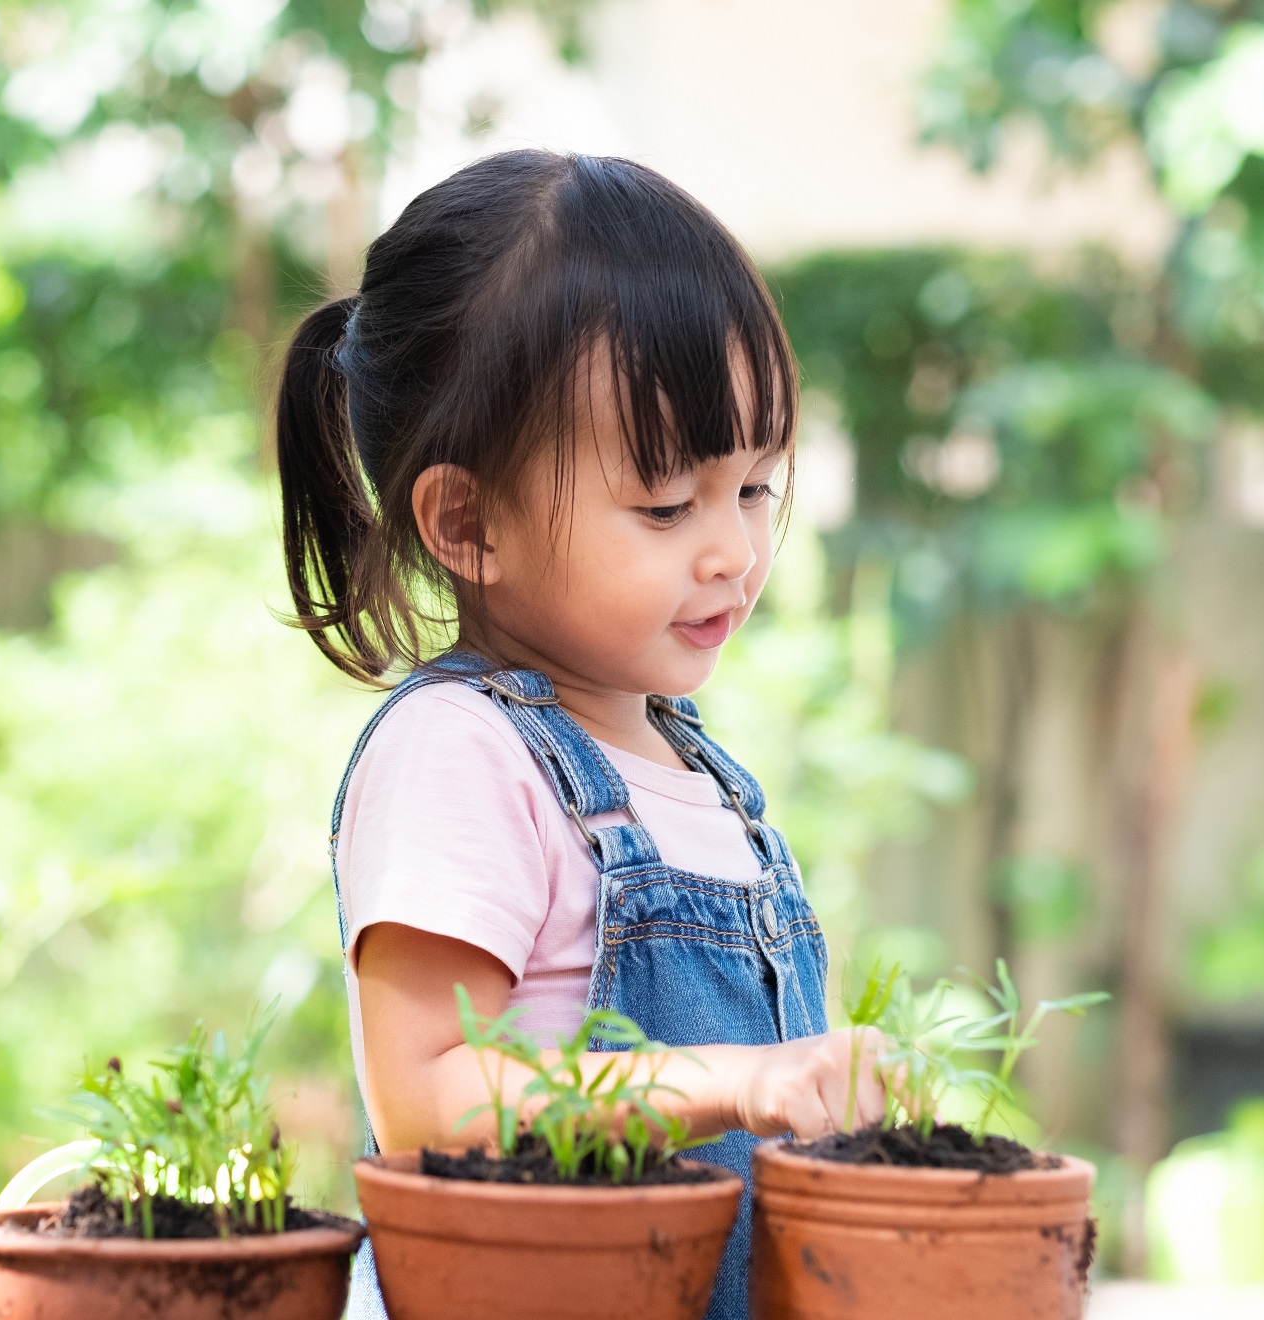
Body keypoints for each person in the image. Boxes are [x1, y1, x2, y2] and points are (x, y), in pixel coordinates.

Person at [273, 150, 888, 1320]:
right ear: (468, 520)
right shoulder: (463, 751)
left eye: (756, 487)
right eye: (665, 505)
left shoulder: (698, 771)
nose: (734, 551)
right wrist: (739, 1081)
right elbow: (430, 1103)